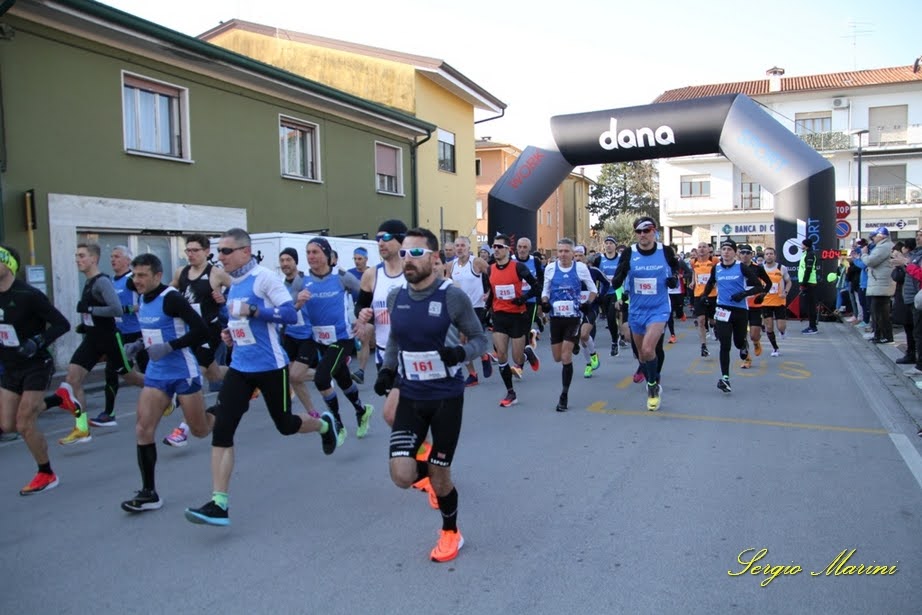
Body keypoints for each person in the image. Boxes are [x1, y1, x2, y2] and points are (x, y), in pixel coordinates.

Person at [184, 228, 338, 527]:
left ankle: (323, 424)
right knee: (223, 429)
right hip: (241, 367)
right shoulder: (232, 284)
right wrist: (230, 334)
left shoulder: (264, 278)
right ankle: (219, 503)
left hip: (270, 366)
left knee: (285, 424)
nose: (220, 257)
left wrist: (253, 310)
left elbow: (289, 315)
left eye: (226, 251)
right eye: (219, 252)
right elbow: (239, 321)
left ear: (245, 251)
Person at [373, 227, 489, 563]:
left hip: (446, 398)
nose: (408, 260)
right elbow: (395, 339)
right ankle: (431, 476)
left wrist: (459, 355)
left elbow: (480, 340)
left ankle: (451, 532)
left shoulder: (452, 297)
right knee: (401, 476)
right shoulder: (397, 297)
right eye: (405, 254)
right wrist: (387, 370)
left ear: (435, 258)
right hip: (411, 394)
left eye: (417, 253)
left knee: (441, 476)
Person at [119, 253, 215, 513]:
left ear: (157, 276)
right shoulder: (140, 295)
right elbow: (153, 328)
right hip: (156, 373)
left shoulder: (171, 298)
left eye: (142, 276)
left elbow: (202, 330)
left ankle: (222, 408)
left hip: (183, 371)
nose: (136, 281)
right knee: (142, 429)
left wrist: (170, 346)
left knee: (200, 430)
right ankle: (149, 492)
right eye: (134, 275)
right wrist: (139, 343)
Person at [0, 245, 73, 494]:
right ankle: (58, 399)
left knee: (24, 423)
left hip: (36, 364)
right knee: (7, 424)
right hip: (10, 366)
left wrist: (37, 342)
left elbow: (62, 324)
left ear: (9, 264)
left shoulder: (28, 295)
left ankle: (46, 473)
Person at [298, 237, 373, 444]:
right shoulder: (302, 280)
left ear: (327, 255)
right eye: (308, 253)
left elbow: (366, 296)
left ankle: (337, 424)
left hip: (342, 339)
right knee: (343, 380)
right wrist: (296, 303)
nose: (311, 257)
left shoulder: (342, 277)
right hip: (319, 339)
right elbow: (288, 309)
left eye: (315, 252)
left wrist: (361, 319)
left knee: (322, 378)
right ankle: (362, 410)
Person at [53, 243, 127, 445]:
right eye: (76, 255)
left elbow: (117, 310)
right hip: (93, 339)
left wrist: (91, 310)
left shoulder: (102, 282)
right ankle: (82, 428)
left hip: (110, 339)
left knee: (132, 377)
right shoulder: (87, 281)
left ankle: (168, 393)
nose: (78, 259)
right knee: (73, 378)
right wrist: (85, 324)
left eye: (82, 255)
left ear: (93, 259)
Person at [163, 234, 232, 447]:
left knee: (195, 373)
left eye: (195, 250)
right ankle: (244, 373)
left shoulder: (216, 274)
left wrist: (225, 299)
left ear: (206, 251)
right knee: (214, 372)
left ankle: (182, 430)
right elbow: (166, 292)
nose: (191, 254)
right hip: (189, 330)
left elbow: (240, 290)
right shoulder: (180, 273)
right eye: (188, 251)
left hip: (210, 332)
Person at [609, 217, 681, 411]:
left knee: (649, 349)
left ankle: (652, 387)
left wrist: (673, 278)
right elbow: (618, 276)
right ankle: (652, 376)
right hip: (636, 309)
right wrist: (618, 279)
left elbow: (675, 266)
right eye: (639, 232)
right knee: (641, 354)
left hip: (659, 308)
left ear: (654, 231)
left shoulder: (664, 251)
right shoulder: (630, 253)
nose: (643, 235)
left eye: (646, 230)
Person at [702, 239, 765, 393]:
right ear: (720, 251)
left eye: (730, 249)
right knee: (725, 344)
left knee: (737, 342)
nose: (726, 252)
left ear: (734, 252)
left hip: (740, 310)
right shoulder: (716, 268)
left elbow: (758, 286)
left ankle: (744, 344)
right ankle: (725, 378)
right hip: (723, 309)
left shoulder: (741, 267)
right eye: (724, 249)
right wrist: (704, 296)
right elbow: (710, 283)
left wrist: (743, 294)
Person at [541, 240, 598, 411]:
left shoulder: (580, 268)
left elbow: (593, 289)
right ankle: (572, 346)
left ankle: (563, 396)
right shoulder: (550, 269)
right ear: (557, 253)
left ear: (573, 253)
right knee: (557, 357)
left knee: (566, 357)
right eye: (560, 251)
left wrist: (588, 303)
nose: (563, 254)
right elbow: (545, 291)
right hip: (556, 318)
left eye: (567, 251)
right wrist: (544, 303)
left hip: (573, 317)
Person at [486, 233, 540, 407]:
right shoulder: (490, 269)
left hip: (517, 316)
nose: (496, 250)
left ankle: (526, 353)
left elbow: (537, 287)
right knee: (501, 354)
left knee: (517, 359)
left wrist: (523, 299)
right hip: (499, 315)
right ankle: (511, 393)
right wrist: (486, 312)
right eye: (494, 247)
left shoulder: (518, 268)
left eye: (499, 247)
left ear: (508, 250)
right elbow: (492, 292)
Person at [446, 236, 492, 386]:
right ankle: (473, 374)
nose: (459, 248)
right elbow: (445, 283)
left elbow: (494, 276)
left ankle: (484, 355)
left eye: (462, 246)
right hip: (458, 309)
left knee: (472, 340)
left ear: (468, 247)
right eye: (457, 246)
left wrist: (489, 294)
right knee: (461, 342)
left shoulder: (476, 262)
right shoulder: (450, 265)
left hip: (476, 307)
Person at [278, 247, 317, 417]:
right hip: (290, 335)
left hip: (307, 335)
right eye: (282, 261)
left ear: (295, 262)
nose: (285, 264)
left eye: (288, 260)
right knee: (292, 377)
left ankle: (327, 373)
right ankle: (312, 412)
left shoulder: (305, 281)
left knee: (295, 375)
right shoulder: (281, 286)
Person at [573, 245, 609, 378]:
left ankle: (593, 355)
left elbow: (607, 283)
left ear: (585, 257)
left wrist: (600, 296)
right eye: (575, 256)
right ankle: (588, 364)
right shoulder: (569, 272)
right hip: (576, 308)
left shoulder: (593, 271)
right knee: (584, 341)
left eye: (580, 256)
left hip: (591, 307)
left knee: (584, 335)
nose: (577, 258)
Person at [737, 244, 772, 368]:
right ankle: (747, 359)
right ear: (739, 254)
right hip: (739, 305)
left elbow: (769, 283)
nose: (745, 255)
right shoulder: (735, 268)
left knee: (753, 335)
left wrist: (762, 295)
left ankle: (756, 342)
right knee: (741, 335)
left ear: (752, 255)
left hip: (754, 305)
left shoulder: (758, 268)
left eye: (748, 253)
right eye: (743, 253)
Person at [861, 227, 896, 344]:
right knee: (876, 311)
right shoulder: (883, 246)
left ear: (881, 236)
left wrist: (864, 254)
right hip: (879, 283)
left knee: (881, 312)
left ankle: (885, 336)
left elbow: (870, 261)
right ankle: (878, 335)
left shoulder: (884, 247)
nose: (872, 239)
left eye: (874, 236)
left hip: (881, 285)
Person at [759, 247, 792, 357]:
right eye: (767, 254)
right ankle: (775, 348)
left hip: (779, 301)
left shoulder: (781, 268)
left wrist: (785, 292)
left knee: (781, 326)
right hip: (765, 302)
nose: (769, 255)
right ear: (764, 256)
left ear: (775, 255)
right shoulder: (760, 269)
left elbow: (789, 282)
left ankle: (782, 332)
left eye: (771, 254)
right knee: (769, 326)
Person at [593, 236, 623, 356]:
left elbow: (624, 276)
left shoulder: (621, 259)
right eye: (607, 243)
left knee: (611, 316)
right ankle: (616, 336)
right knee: (609, 319)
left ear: (615, 245)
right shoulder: (599, 259)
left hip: (617, 291)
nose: (609, 245)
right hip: (604, 292)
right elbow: (594, 277)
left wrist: (621, 296)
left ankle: (614, 342)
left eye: (611, 243)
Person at [514, 237, 545, 352]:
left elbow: (541, 280)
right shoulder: (510, 260)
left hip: (530, 299)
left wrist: (539, 295)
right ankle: (532, 335)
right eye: (520, 247)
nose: (522, 250)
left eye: (525, 247)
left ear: (530, 248)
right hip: (514, 300)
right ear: (516, 248)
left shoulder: (535, 261)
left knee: (526, 326)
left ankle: (525, 352)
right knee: (516, 327)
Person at [690, 242, 719, 356]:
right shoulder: (693, 262)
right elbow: (694, 272)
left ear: (708, 249)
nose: (701, 249)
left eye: (704, 247)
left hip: (712, 294)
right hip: (698, 294)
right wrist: (693, 281)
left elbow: (720, 271)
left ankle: (714, 327)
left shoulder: (715, 260)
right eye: (699, 247)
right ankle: (703, 346)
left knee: (713, 319)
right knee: (701, 320)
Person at [347, 247, 371, 383]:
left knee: (364, 338)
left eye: (360, 259)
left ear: (366, 259)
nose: (357, 261)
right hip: (355, 310)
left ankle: (361, 370)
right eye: (355, 259)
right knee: (361, 339)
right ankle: (359, 369)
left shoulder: (371, 273)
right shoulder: (350, 274)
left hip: (370, 310)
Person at [798, 237, 819, 334]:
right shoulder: (806, 253)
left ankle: (813, 327)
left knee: (811, 306)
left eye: (802, 244)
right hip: (807, 283)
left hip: (809, 283)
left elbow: (808, 270)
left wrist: (804, 283)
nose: (801, 246)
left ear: (805, 246)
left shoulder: (810, 255)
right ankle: (811, 326)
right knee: (809, 305)